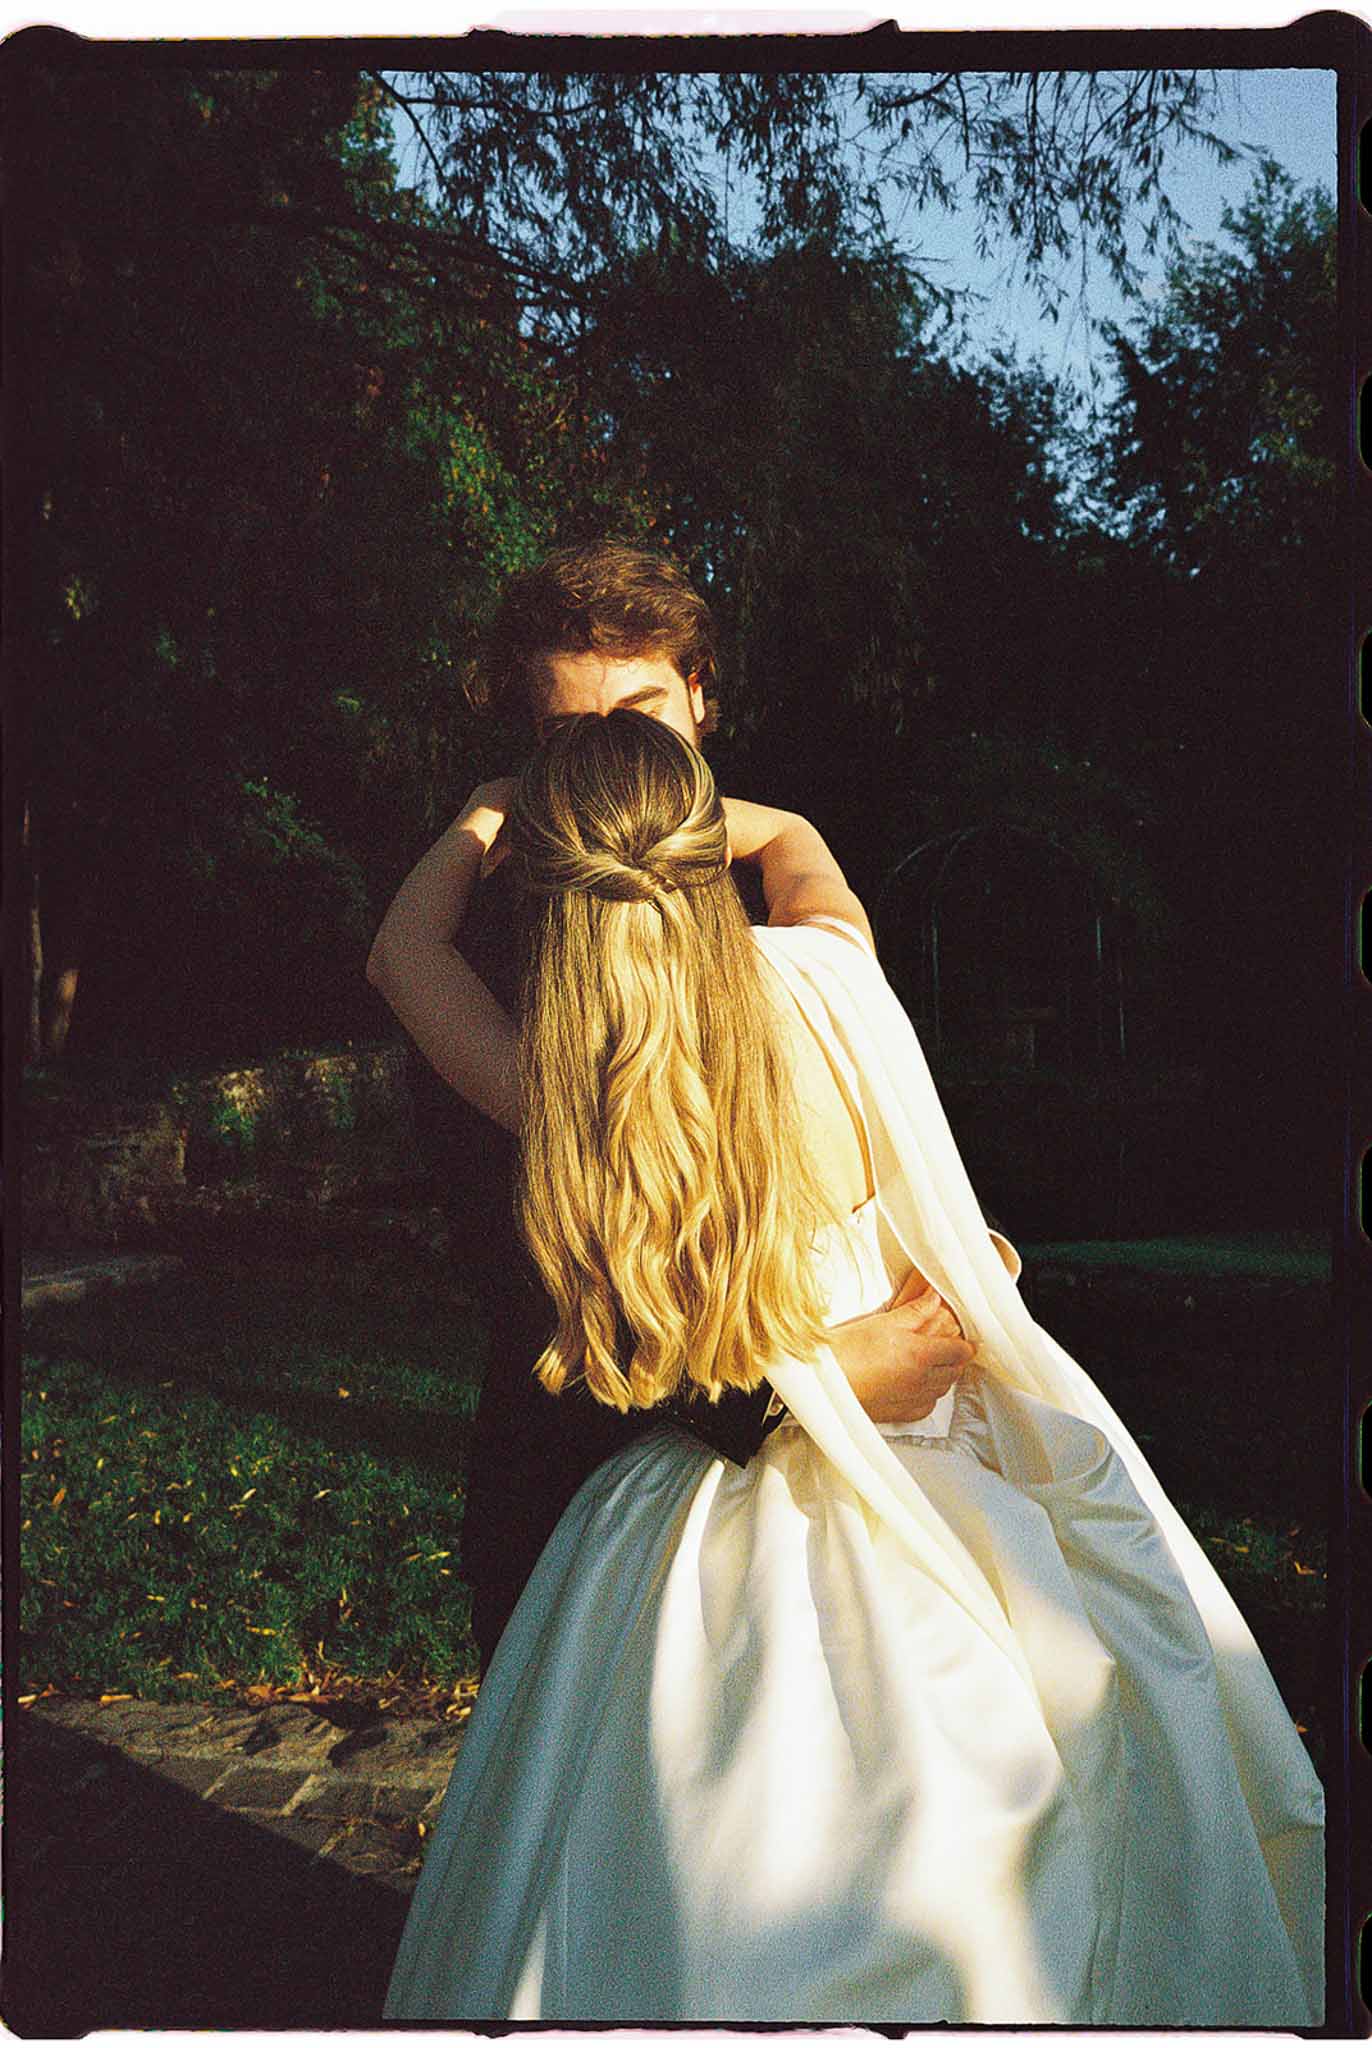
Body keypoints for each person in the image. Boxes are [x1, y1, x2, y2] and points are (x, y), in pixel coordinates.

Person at [381, 707, 1324, 2027]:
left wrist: (493, 807)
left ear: (547, 883)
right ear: (706, 850)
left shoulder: (560, 1078)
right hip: (933, 1456)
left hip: (691, 1514)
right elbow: (805, 848)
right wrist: (712, 819)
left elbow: (402, 950)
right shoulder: (830, 978)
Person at [367, 540, 980, 1671]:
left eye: (640, 711)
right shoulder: (505, 966)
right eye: (566, 734)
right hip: (587, 1494)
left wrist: (479, 816)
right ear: (530, 747)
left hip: (854, 1504)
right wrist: (807, 1388)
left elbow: (399, 951)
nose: (607, 750)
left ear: (702, 696)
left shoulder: (784, 946)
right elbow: (531, 1285)